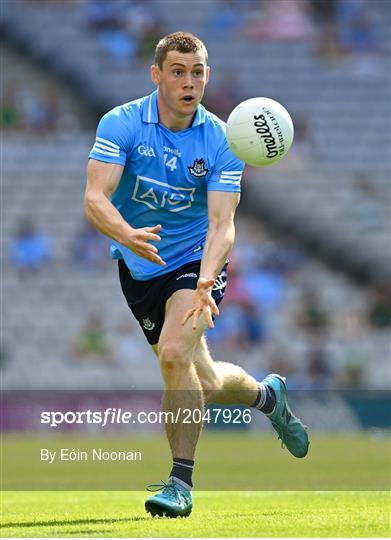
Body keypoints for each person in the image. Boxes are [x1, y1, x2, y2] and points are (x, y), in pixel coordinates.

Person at [85, 32, 309, 519]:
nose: (190, 82)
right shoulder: (122, 122)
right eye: (179, 71)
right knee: (200, 377)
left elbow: (222, 225)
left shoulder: (223, 140)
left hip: (193, 261)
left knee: (171, 355)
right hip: (138, 262)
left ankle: (179, 483)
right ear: (157, 75)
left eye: (198, 72)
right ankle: (268, 397)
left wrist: (206, 279)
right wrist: (128, 235)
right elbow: (94, 199)